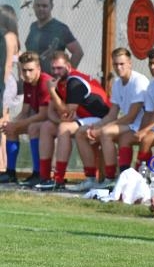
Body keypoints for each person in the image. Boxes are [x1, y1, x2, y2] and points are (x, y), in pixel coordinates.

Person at [73, 47, 149, 191]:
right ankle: (90, 178)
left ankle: (110, 179)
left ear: (130, 64)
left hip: (140, 125)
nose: (118, 68)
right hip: (127, 123)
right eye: (115, 64)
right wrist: (94, 127)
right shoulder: (117, 84)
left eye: (122, 64)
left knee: (106, 133)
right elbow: (112, 114)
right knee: (81, 132)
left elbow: (131, 117)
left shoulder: (139, 81)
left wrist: (101, 129)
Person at [34, 51, 110, 191]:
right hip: (84, 118)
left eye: (59, 68)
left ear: (68, 66)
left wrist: (52, 92)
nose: (56, 71)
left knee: (64, 128)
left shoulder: (74, 82)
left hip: (102, 118)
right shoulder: (58, 82)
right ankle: (44, 177)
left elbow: (66, 111)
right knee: (46, 126)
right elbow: (52, 112)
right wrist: (61, 118)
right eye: (53, 68)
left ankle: (59, 179)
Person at [0, 52, 51, 185]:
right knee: (10, 130)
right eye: (24, 70)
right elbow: (25, 111)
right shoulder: (27, 83)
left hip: (56, 121)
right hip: (43, 120)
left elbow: (43, 115)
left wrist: (17, 125)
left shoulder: (45, 82)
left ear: (38, 68)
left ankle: (38, 173)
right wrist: (10, 124)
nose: (27, 74)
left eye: (30, 70)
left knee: (34, 128)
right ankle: (10, 173)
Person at [25, 0, 84, 75]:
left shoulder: (60, 28)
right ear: (33, 7)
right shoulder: (33, 26)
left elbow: (78, 52)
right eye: (38, 5)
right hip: (32, 80)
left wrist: (66, 75)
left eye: (44, 6)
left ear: (51, 7)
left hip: (51, 82)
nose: (40, 9)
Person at [0, 5, 22, 175]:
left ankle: (2, 165)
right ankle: (4, 164)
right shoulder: (14, 36)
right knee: (4, 123)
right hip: (10, 82)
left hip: (5, 82)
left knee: (2, 124)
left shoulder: (8, 37)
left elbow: (7, 64)